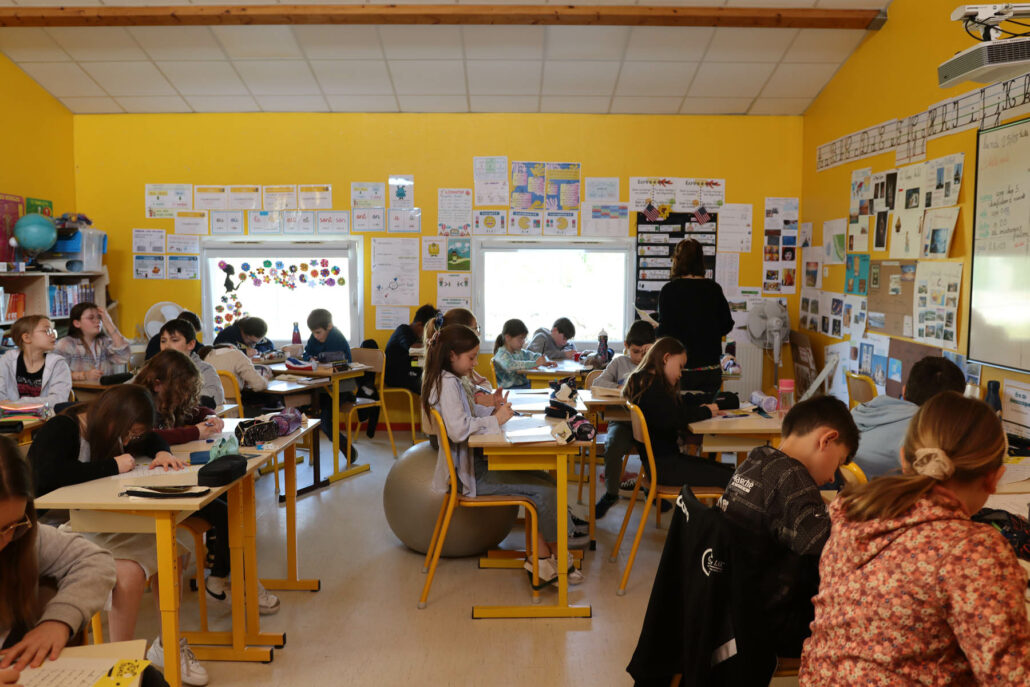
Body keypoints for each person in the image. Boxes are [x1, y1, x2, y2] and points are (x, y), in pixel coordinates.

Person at [800, 392, 1030, 684]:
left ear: (903, 458)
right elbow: (1010, 678)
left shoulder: (852, 516)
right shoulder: (972, 549)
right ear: (994, 478)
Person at [27, 385, 210, 686]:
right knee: (129, 573)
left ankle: (167, 644)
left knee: (174, 550)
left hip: (98, 518)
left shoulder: (110, 427)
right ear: (112, 417)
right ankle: (119, 663)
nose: (127, 442)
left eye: (132, 435)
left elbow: (151, 437)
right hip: (60, 525)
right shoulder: (64, 428)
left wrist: (162, 451)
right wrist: (112, 465)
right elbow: (49, 477)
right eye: (128, 433)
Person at [423, 324, 584, 586]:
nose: (475, 363)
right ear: (452, 355)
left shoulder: (449, 379)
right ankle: (553, 557)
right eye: (471, 358)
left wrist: (494, 410)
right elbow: (458, 429)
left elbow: (467, 413)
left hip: (472, 466)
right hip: (470, 476)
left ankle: (543, 557)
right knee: (546, 492)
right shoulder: (448, 382)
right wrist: (496, 419)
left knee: (546, 481)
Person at [717, 395, 859, 660]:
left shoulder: (756, 460)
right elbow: (826, 547)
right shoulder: (793, 477)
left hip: (732, 606)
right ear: (826, 440)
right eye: (838, 463)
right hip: (770, 625)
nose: (832, 476)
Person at [0, 435, 117, 679]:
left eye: (11, 526)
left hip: (24, 671)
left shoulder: (25, 538)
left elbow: (95, 561)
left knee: (147, 678)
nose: (4, 542)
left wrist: (58, 621)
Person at [622, 336, 731, 489]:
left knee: (729, 472)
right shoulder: (653, 389)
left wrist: (706, 405)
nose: (681, 374)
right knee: (731, 478)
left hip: (660, 465)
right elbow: (676, 417)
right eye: (680, 367)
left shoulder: (645, 382)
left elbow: (676, 405)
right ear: (666, 358)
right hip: (665, 469)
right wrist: (706, 411)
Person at [851, 356, 965, 479]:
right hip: (882, 490)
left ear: (904, 391)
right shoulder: (924, 434)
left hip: (845, 487)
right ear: (950, 411)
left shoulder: (867, 408)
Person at [592, 319, 656, 519]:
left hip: (650, 423)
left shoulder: (657, 364)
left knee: (657, 448)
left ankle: (652, 490)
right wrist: (619, 388)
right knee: (612, 447)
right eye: (635, 352)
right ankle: (611, 493)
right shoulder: (619, 362)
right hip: (622, 422)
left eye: (646, 352)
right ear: (626, 346)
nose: (640, 357)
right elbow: (597, 383)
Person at [656, 239, 733, 394]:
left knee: (679, 407)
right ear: (701, 260)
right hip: (709, 368)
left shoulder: (669, 290)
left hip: (678, 368)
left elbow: (665, 332)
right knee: (708, 407)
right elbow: (727, 324)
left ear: (677, 260)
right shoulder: (714, 289)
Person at [133, 350, 225, 446]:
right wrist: (195, 432)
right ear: (157, 385)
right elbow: (148, 437)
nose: (185, 396)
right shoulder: (136, 406)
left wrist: (210, 418)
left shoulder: (169, 404)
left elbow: (198, 411)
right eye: (180, 390)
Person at [303, 309, 358, 461]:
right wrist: (310, 358)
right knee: (305, 409)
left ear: (329, 326)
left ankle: (346, 448)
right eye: (313, 333)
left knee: (325, 421)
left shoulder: (337, 338)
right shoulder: (314, 337)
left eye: (318, 332)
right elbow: (306, 353)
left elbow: (340, 360)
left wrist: (318, 359)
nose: (316, 336)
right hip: (322, 387)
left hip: (340, 387)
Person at [0, 315, 71, 408]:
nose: (53, 335)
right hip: (10, 415)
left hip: (47, 416)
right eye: (47, 331)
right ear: (27, 338)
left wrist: (18, 403)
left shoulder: (59, 364)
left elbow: (58, 400)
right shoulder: (7, 360)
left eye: (53, 331)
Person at [54, 302, 130, 382]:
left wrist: (109, 323)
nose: (97, 321)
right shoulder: (66, 344)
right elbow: (56, 374)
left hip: (105, 389)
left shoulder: (104, 342)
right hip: (79, 390)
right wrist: (84, 375)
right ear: (77, 323)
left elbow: (124, 357)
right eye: (91, 318)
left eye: (99, 317)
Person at [157, 320, 225, 408]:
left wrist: (175, 395)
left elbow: (216, 396)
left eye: (174, 340)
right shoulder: (154, 368)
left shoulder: (204, 369)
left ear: (191, 344)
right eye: (163, 341)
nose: (167, 346)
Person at [384, 304, 437, 394]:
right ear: (419, 325)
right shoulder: (403, 330)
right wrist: (434, 345)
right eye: (427, 330)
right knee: (430, 386)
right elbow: (412, 348)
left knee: (434, 380)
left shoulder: (416, 336)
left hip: (409, 372)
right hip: (394, 375)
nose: (428, 334)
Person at [492, 319, 552, 390]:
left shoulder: (519, 352)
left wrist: (545, 360)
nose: (523, 342)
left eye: (524, 338)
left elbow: (535, 356)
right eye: (520, 338)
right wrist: (535, 363)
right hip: (510, 391)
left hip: (523, 387)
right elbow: (511, 365)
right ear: (508, 337)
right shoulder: (501, 354)